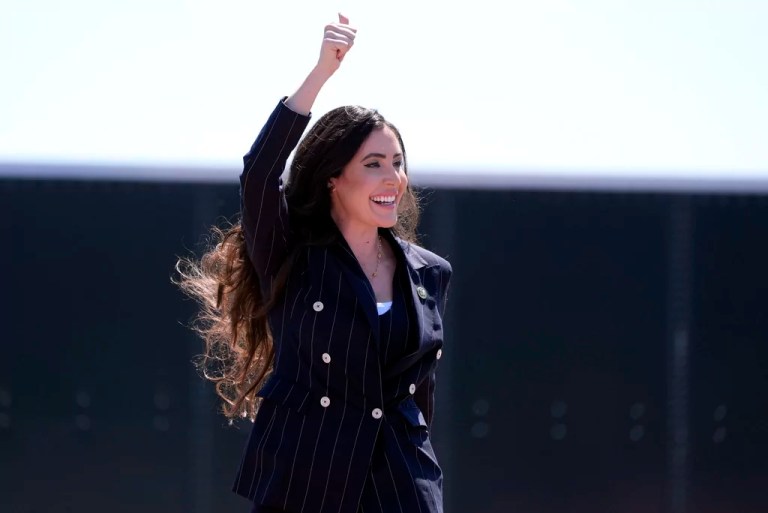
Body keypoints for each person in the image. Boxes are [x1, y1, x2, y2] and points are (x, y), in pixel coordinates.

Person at [177, 14, 452, 513]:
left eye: (397, 163)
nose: (393, 178)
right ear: (332, 178)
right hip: (307, 482)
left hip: (402, 486)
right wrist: (322, 72)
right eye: (373, 164)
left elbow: (419, 396)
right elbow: (259, 173)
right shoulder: (292, 254)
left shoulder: (431, 273)